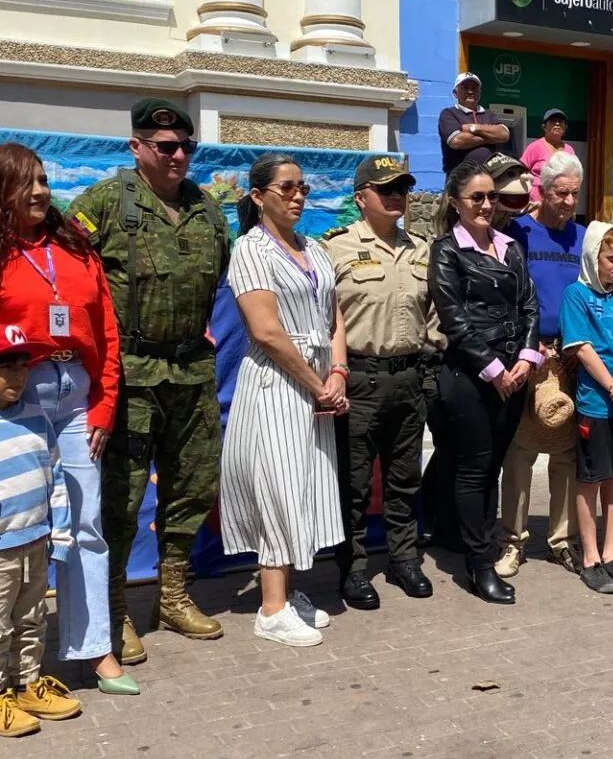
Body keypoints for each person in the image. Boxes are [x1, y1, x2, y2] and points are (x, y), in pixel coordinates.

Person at [0, 142, 133, 694]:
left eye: (44, 180)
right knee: (17, 526)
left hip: (78, 397)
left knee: (85, 523)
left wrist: (105, 402)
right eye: (26, 182)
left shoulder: (73, 246)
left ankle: (94, 648)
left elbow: (106, 327)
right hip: (14, 399)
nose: (41, 191)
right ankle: (11, 664)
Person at [68, 98, 229, 664]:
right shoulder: (104, 203)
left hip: (191, 371)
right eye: (165, 147)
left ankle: (173, 596)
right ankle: (113, 610)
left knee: (192, 487)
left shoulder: (208, 210)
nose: (178, 155)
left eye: (186, 146)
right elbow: (68, 278)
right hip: (130, 375)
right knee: (121, 497)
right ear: (137, 147)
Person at [220, 154, 348, 645]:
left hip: (318, 381)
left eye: (303, 188)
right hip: (276, 383)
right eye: (286, 188)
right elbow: (266, 331)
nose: (298, 196)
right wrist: (318, 384)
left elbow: (334, 316)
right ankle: (271, 608)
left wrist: (338, 372)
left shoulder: (314, 249)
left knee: (303, 485)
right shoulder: (250, 250)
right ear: (258, 196)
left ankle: (287, 592)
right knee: (277, 485)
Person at [0, 323, 84, 737]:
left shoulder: (36, 417)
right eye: (5, 366)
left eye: (23, 365)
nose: (19, 375)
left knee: (32, 619)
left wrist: (59, 534)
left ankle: (28, 685)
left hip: (36, 542)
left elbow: (56, 477)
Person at [321, 155, 435, 610]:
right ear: (360, 197)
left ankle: (404, 559)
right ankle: (352, 568)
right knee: (354, 484)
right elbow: (321, 317)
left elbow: (434, 315)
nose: (396, 196)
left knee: (404, 479)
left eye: (402, 188)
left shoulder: (421, 249)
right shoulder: (335, 249)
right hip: (359, 379)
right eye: (385, 188)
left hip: (409, 377)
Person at [428, 160, 542, 604]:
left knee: (492, 467)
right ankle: (479, 566)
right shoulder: (446, 251)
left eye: (492, 196)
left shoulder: (510, 247)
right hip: (471, 378)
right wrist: (494, 370)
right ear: (456, 202)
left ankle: (467, 539)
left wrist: (527, 359)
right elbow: (454, 321)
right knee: (475, 471)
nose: (486, 204)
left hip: (515, 376)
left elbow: (529, 305)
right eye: (477, 197)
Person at [499, 150, 587, 576]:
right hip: (528, 355)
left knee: (566, 453)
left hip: (571, 358)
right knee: (521, 452)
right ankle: (513, 541)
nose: (568, 202)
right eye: (561, 193)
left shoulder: (583, 238)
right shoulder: (518, 231)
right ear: (543, 190)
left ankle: (561, 540)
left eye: (574, 194)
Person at [561, 223, 613, 593]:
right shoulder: (576, 295)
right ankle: (590, 557)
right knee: (591, 481)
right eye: (611, 258)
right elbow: (581, 347)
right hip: (597, 405)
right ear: (593, 258)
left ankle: (612, 553)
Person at [438, 72, 511, 174]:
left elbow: (504, 134)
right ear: (455, 93)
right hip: (461, 177)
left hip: (489, 176)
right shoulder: (449, 114)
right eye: (465, 87)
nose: (470, 91)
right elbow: (457, 141)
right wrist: (491, 137)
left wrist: (473, 128)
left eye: (474, 88)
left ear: (480, 93)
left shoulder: (489, 114)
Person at [520, 108, 575, 203]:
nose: (557, 123)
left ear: (565, 127)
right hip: (537, 203)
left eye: (560, 121)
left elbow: (574, 176)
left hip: (561, 202)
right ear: (544, 127)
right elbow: (520, 171)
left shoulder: (569, 150)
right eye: (553, 121)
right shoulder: (535, 147)